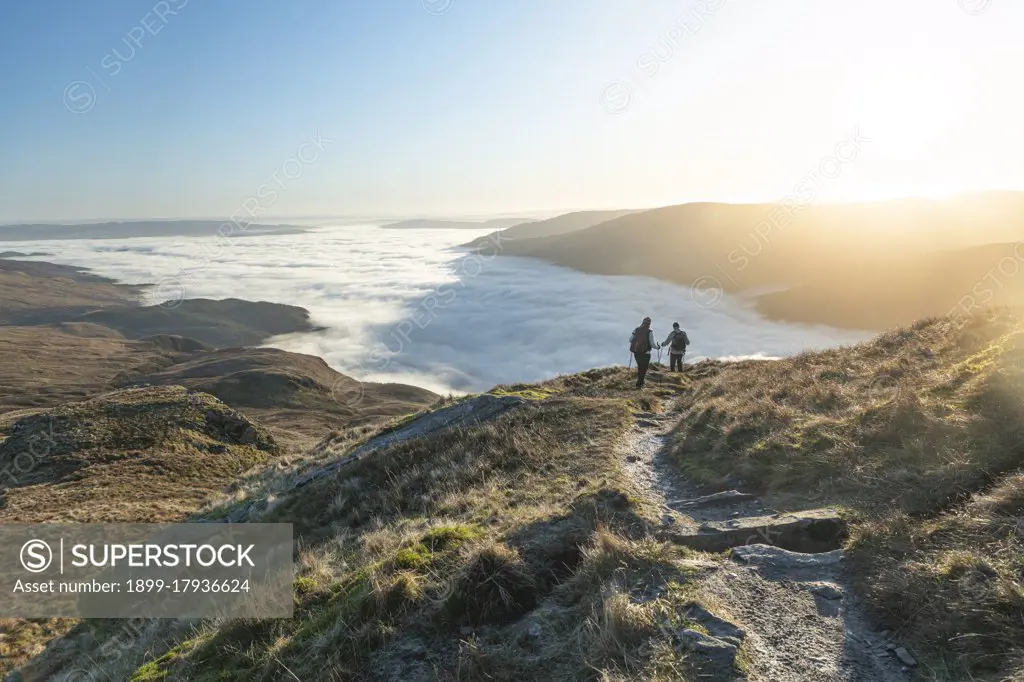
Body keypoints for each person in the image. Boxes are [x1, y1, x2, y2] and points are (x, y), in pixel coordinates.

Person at [629, 317, 660, 389]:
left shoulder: (636, 329)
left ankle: (640, 382)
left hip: (637, 353)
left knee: (640, 367)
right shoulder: (649, 332)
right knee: (644, 368)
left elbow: (630, 339)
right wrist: (657, 347)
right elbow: (652, 344)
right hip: (646, 353)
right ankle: (639, 384)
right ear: (649, 323)